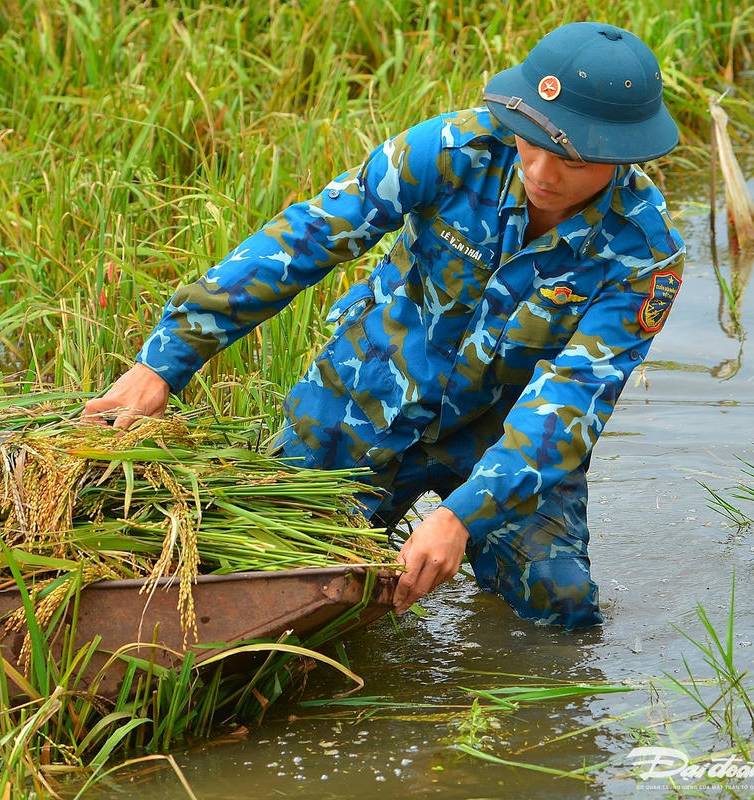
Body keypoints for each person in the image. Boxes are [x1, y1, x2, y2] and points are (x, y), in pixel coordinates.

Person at [81, 21, 685, 629]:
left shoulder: (644, 253)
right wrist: (164, 360)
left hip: (502, 435)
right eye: (532, 141)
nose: (543, 172)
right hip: (366, 397)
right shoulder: (450, 151)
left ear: (622, 154)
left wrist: (461, 516)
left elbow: (570, 400)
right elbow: (309, 237)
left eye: (573, 159)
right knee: (271, 583)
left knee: (560, 613)